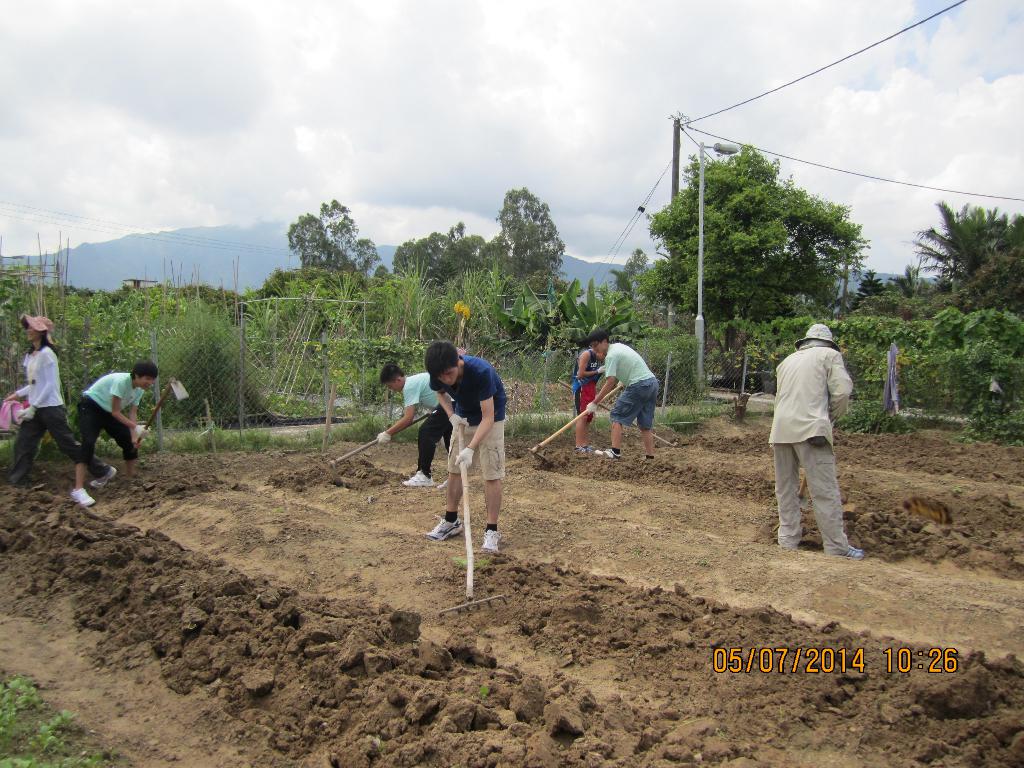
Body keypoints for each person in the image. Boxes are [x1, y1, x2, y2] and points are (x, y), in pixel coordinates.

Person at [769, 323, 863, 560]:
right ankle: (836, 547)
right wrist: (829, 418)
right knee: (824, 491)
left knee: (785, 489)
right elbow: (842, 392)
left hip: (780, 430)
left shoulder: (786, 361)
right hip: (813, 430)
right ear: (828, 342)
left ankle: (787, 540)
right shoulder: (830, 356)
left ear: (806, 341)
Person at [4, 314, 111, 494]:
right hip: (36, 408)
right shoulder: (31, 355)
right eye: (28, 327)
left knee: (67, 444)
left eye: (32, 328)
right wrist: (17, 395)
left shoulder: (48, 355)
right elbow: (34, 384)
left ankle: (103, 470)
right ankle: (18, 482)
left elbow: (50, 385)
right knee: (23, 443)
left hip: (51, 408)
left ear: (42, 332)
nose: (28, 330)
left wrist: (33, 406)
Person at [423, 341, 507, 553]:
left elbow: (488, 417)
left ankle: (491, 531)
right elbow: (440, 393)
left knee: (491, 474)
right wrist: (452, 415)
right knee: (454, 470)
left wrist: (470, 448)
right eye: (440, 376)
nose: (445, 379)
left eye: (449, 374)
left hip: (492, 418)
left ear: (458, 362)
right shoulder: (438, 372)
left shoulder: (481, 372)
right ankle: (451, 521)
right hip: (464, 416)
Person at [72, 361, 159, 506]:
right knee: (88, 442)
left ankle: (130, 480)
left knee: (128, 441)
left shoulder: (139, 390)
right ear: (136, 375)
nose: (150, 382)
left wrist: (134, 437)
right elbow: (116, 412)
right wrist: (136, 427)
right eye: (147, 378)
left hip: (108, 412)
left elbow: (132, 413)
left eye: (152, 379)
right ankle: (78, 489)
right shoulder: (121, 382)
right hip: (91, 407)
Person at [584, 329, 659, 459]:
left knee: (617, 415)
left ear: (604, 342)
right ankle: (650, 456)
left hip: (638, 385)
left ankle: (615, 452)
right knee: (645, 424)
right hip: (651, 383)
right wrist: (623, 381)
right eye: (592, 346)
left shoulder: (611, 355)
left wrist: (595, 402)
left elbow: (610, 381)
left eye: (596, 345)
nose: (594, 349)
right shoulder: (619, 347)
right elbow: (628, 365)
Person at [378, 363, 453, 488]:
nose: (392, 389)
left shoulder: (409, 386)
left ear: (398, 379)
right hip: (452, 403)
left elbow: (408, 418)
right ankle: (456, 477)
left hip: (448, 404)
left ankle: (424, 475)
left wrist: (388, 433)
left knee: (426, 432)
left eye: (390, 386)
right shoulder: (414, 380)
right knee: (451, 440)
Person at [571, 336, 602, 453]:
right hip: (581, 387)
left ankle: (584, 445)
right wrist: (597, 371)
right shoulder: (586, 354)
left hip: (591, 387)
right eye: (602, 355)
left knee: (588, 417)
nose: (603, 357)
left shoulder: (598, 358)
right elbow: (580, 374)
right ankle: (578, 445)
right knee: (582, 416)